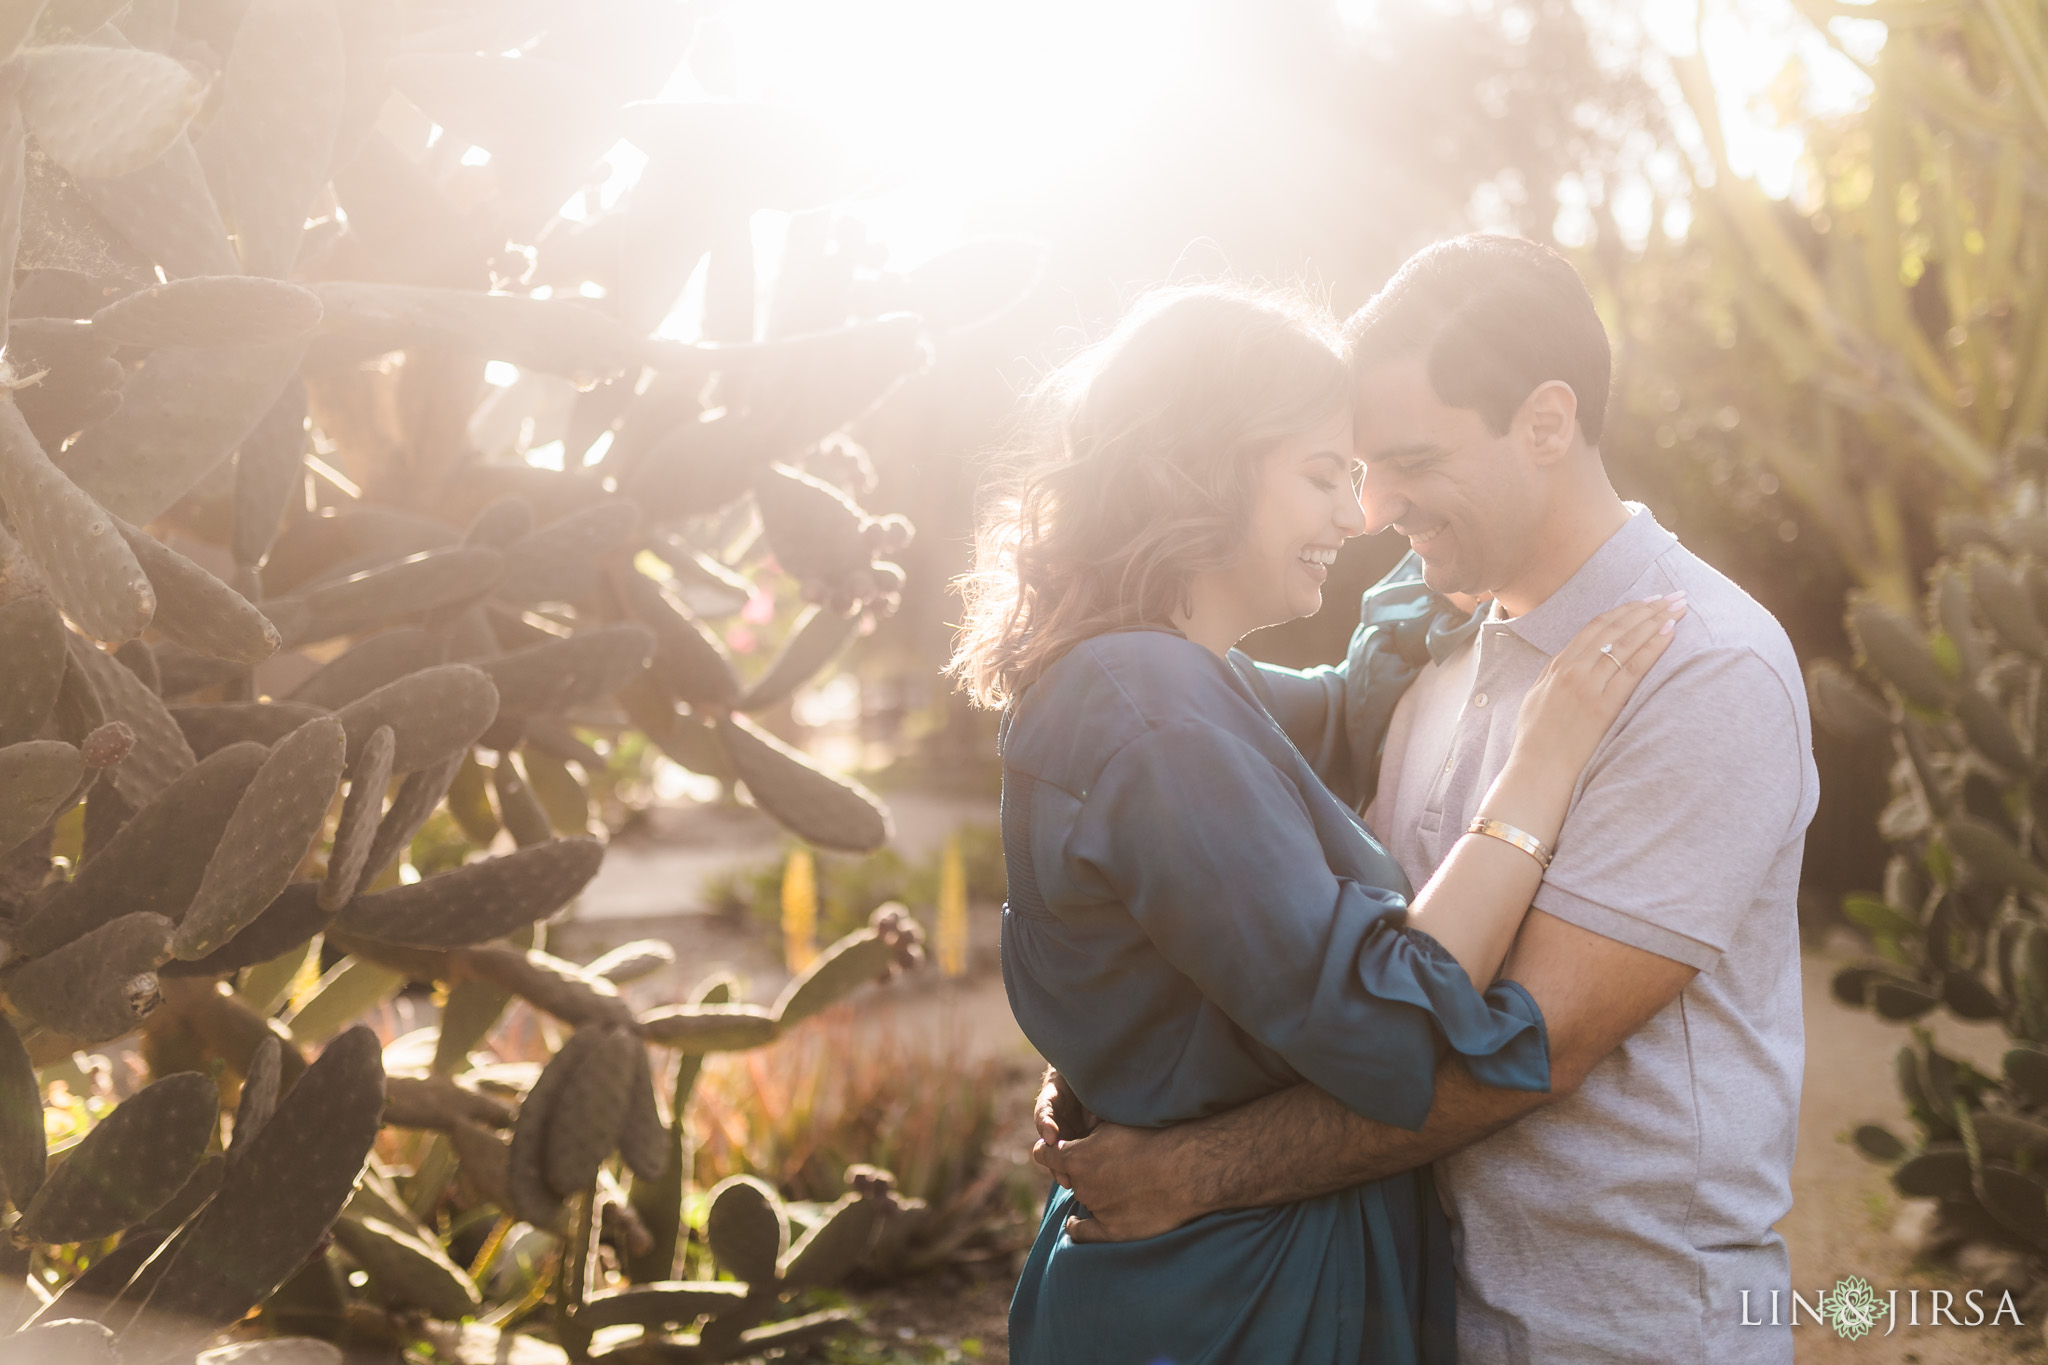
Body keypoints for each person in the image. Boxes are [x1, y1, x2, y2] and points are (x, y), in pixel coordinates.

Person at [1032, 236, 1818, 1365]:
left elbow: (1529, 1050)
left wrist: (1191, 1170)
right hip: (1404, 1307)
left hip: (1609, 1327)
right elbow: (1284, 926)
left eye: (1406, 459)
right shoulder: (1430, 640)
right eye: (1354, 465)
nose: (1373, 504)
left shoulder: (1698, 667)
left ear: (1545, 424)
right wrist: (1117, 1056)